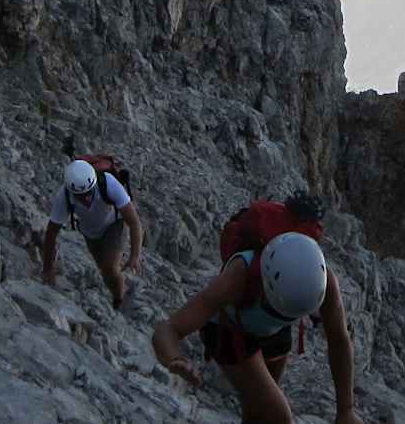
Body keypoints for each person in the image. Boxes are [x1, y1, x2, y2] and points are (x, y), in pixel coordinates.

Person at [152, 231, 361, 424]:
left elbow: (339, 340)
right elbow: (169, 329)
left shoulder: (321, 282)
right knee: (277, 415)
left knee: (258, 409)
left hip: (275, 332)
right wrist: (175, 358)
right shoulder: (237, 278)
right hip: (227, 331)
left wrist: (346, 410)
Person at [41, 158, 143, 308]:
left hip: (114, 225)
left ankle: (119, 297)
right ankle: (118, 291)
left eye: (89, 192)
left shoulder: (108, 183)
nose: (87, 198)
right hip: (90, 233)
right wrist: (47, 268)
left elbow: (134, 222)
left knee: (109, 266)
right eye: (81, 196)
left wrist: (134, 256)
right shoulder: (64, 196)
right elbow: (51, 233)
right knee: (105, 271)